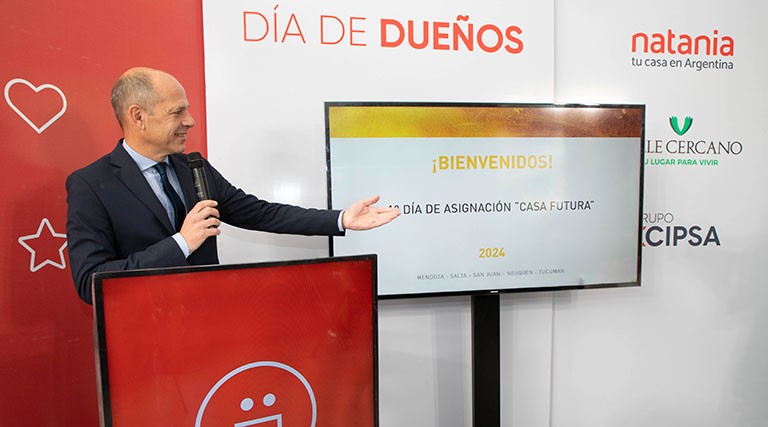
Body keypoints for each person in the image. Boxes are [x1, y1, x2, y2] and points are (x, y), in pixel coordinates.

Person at [65, 67, 400, 304]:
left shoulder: (193, 167)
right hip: (142, 342)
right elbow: (91, 282)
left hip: (210, 325)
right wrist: (182, 243)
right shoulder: (90, 185)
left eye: (188, 110)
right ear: (138, 116)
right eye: (177, 112)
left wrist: (341, 219)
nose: (189, 121)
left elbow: (261, 214)